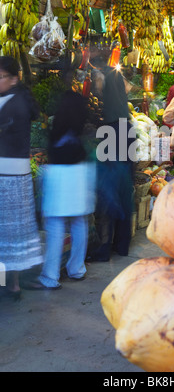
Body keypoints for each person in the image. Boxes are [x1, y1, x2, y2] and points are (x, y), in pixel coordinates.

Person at [35, 90, 96, 290]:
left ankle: (50, 276)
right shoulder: (80, 129)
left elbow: (51, 152)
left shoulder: (57, 128)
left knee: (55, 226)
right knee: (79, 223)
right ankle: (77, 269)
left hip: (60, 177)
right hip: (80, 175)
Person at [86, 45, 136, 262]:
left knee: (108, 190)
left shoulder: (101, 74)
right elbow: (128, 90)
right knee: (125, 190)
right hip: (127, 129)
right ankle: (122, 246)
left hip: (113, 131)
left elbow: (96, 91)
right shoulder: (118, 74)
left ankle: (104, 248)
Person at [0, 56, 43, 298]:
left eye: (1, 77)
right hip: (16, 174)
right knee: (13, 231)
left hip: (8, 176)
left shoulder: (14, 104)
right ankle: (13, 282)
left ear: (13, 78)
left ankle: (12, 282)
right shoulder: (15, 100)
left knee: (7, 230)